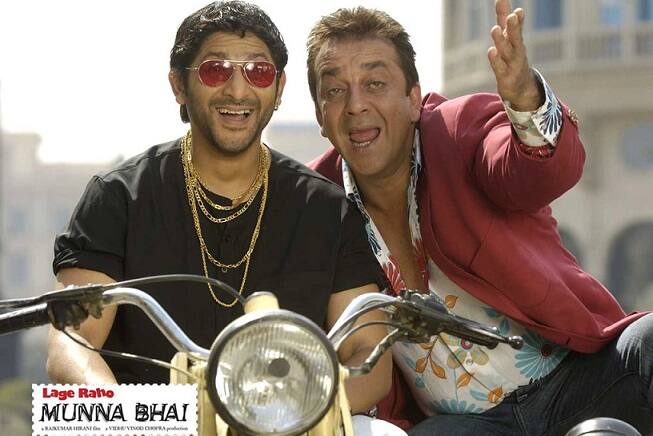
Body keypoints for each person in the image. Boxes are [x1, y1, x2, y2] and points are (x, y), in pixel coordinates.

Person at [46, 1, 398, 428]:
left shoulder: (325, 209)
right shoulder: (119, 196)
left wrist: (283, 416)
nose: (237, 90)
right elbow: (72, 341)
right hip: (153, 423)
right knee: (65, 417)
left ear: (279, 88)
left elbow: (367, 352)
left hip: (286, 422)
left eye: (258, 72)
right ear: (179, 84)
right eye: (216, 70)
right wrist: (133, 419)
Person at [307, 1, 652, 434]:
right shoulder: (316, 204)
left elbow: (536, 172)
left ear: (413, 99)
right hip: (468, 425)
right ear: (320, 116)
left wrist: (524, 99)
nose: (356, 104)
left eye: (375, 83)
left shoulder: (459, 130)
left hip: (576, 381)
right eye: (335, 91)